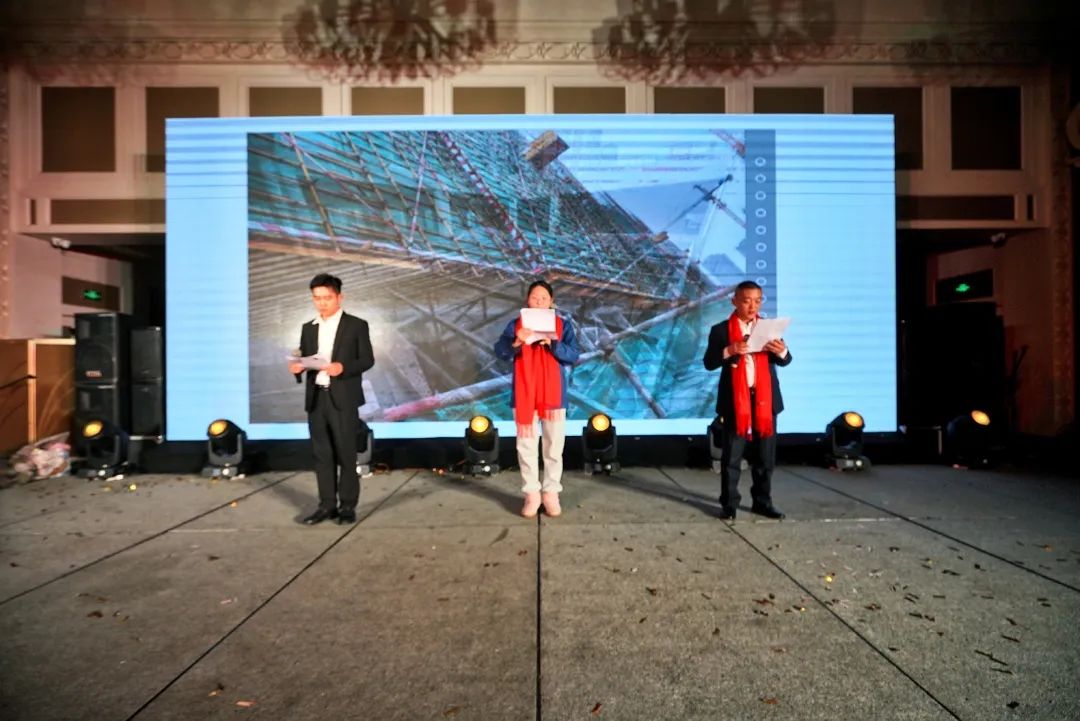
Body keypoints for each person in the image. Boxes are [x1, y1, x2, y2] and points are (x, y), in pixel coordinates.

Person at [288, 273, 374, 525]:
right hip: (316, 398)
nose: (322, 303)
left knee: (346, 454)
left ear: (339, 297)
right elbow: (304, 358)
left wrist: (342, 367)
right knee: (322, 455)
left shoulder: (356, 325)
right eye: (317, 298)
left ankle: (347, 506)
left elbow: (367, 359)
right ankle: (326, 505)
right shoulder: (308, 327)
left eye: (327, 297)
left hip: (343, 399)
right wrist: (297, 368)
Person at [703, 280, 792, 520]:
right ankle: (729, 504)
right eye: (746, 301)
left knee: (765, 457)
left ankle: (762, 502)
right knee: (732, 457)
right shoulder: (721, 330)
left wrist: (781, 350)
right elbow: (709, 363)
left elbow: (786, 360)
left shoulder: (768, 328)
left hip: (765, 401)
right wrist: (730, 351)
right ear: (734, 302)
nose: (752, 306)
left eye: (757, 301)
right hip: (735, 401)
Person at [494, 280, 580, 518]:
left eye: (544, 298)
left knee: (554, 446)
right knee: (526, 447)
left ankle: (551, 493)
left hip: (554, 394)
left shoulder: (563, 325)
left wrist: (553, 345)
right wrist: (517, 341)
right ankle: (531, 494)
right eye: (535, 297)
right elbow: (500, 351)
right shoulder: (516, 325)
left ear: (551, 301)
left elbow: (574, 354)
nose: (539, 301)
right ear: (527, 300)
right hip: (524, 394)